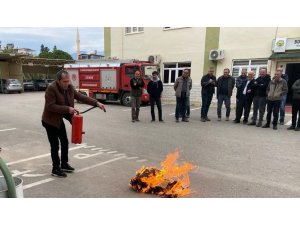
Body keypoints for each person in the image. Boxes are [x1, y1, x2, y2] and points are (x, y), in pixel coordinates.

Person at [42, 70, 106, 178]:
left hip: (59, 119)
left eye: (68, 81)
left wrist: (96, 103)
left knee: (64, 141)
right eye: (64, 81)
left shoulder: (70, 88)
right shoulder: (51, 88)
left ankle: (64, 164)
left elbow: (81, 97)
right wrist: (68, 109)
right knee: (55, 145)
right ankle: (55, 169)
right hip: (50, 121)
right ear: (58, 81)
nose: (67, 83)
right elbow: (50, 106)